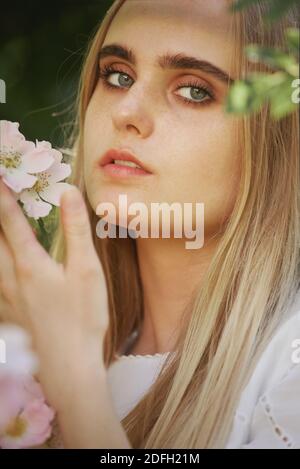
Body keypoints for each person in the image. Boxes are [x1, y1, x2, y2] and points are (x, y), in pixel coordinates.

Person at [0, 0, 299, 449]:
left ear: (274, 141)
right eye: (118, 75)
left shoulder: (287, 366)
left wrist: (76, 388)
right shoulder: (25, 344)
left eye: (195, 90)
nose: (127, 113)